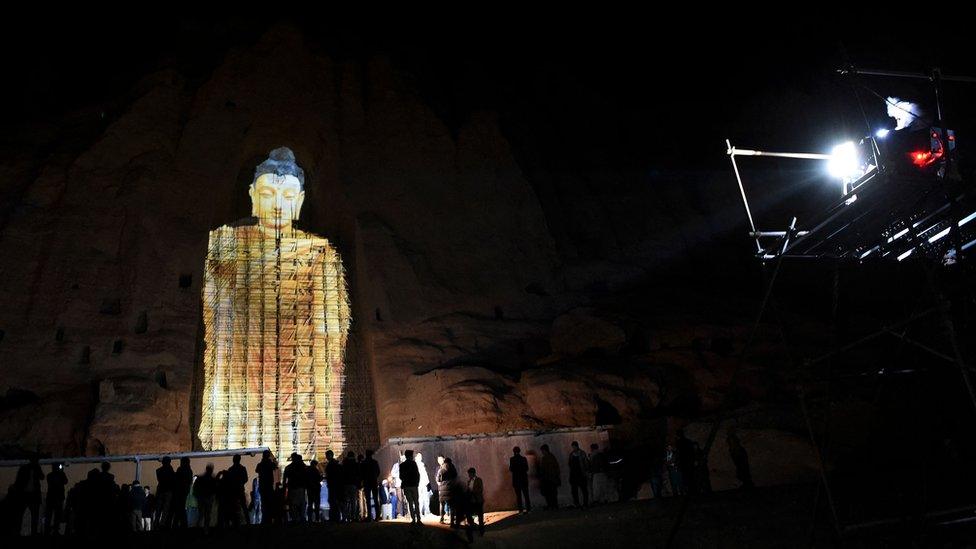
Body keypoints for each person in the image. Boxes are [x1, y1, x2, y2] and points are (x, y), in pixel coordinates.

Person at [13, 456, 43, 535]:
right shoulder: (24, 468)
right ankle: (18, 531)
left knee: (34, 516)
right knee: (20, 515)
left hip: (32, 495)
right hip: (25, 495)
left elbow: (42, 477)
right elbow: (18, 481)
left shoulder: (36, 468)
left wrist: (38, 468)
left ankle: (33, 532)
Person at [283, 453, 308, 523]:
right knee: (301, 504)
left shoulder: (288, 467)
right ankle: (302, 518)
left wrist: (284, 488)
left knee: (293, 505)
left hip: (292, 488)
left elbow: (284, 479)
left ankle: (295, 519)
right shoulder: (302, 467)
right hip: (301, 488)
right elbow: (306, 477)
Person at [399, 450, 421, 524]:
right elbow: (417, 475)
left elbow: (401, 476)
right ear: (410, 456)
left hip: (406, 486)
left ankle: (413, 519)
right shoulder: (413, 464)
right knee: (416, 502)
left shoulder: (402, 465)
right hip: (414, 485)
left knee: (410, 503)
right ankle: (418, 519)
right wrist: (417, 483)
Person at [255, 450, 278, 524]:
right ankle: (269, 518)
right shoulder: (270, 463)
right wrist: (274, 461)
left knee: (264, 502)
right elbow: (275, 467)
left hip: (262, 486)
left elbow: (257, 470)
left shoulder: (260, 464)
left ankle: (265, 518)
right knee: (269, 502)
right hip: (269, 486)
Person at [45, 463, 67, 535]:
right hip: (58, 497)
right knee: (57, 515)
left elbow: (65, 481)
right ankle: (55, 530)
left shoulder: (49, 475)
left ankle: (48, 530)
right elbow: (65, 481)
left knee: (49, 515)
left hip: (51, 498)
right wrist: (62, 472)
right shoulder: (60, 475)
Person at [193, 464, 217, 533]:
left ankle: (198, 528)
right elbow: (215, 488)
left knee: (201, 514)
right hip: (208, 498)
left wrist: (197, 497)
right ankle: (205, 529)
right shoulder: (212, 479)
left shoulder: (200, 478)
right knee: (207, 515)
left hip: (201, 498)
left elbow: (195, 489)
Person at [568, 441, 590, 509]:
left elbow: (586, 463)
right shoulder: (572, 454)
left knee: (584, 490)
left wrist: (586, 471)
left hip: (581, 474)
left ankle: (585, 503)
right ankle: (577, 503)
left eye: (574, 446)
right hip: (574, 475)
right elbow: (569, 464)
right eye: (573, 447)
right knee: (575, 490)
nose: (574, 448)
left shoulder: (581, 453)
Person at [538, 444, 561, 510]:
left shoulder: (546, 458)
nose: (542, 452)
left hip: (549, 479)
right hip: (551, 478)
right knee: (552, 493)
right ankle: (554, 505)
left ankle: (552, 505)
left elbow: (544, 469)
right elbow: (556, 468)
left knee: (550, 493)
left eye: (542, 451)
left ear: (544, 450)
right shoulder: (551, 457)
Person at [155, 456, 176, 528]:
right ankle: (162, 523)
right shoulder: (171, 471)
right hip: (168, 492)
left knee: (158, 509)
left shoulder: (158, 470)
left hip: (160, 491)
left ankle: (156, 523)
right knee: (165, 509)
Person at [173, 457, 193, 528]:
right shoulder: (189, 470)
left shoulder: (181, 469)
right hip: (185, 491)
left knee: (179, 508)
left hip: (179, 491)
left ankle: (179, 524)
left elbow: (176, 480)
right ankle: (183, 524)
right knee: (181, 508)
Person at [509, 447, 531, 513]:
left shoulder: (512, 459)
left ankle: (520, 510)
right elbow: (527, 468)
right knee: (526, 495)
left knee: (519, 496)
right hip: (523, 479)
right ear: (519, 451)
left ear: (513, 451)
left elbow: (511, 469)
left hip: (516, 480)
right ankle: (528, 509)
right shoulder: (523, 459)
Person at [436, 455, 456, 524]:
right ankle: (452, 521)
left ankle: (441, 519)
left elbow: (437, 479)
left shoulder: (441, 469)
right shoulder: (452, 468)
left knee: (442, 504)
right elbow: (455, 476)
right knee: (451, 506)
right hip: (451, 489)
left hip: (442, 489)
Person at [676, 430, 698, 494]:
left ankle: (690, 491)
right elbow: (692, 452)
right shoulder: (688, 441)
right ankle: (693, 491)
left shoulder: (679, 443)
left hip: (685, 463)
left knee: (687, 478)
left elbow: (679, 454)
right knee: (691, 478)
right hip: (689, 462)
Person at [324, 450, 344, 522]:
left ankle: (334, 517)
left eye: (327, 455)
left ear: (330, 455)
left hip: (333, 486)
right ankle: (336, 517)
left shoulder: (331, 465)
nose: (326, 457)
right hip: (336, 485)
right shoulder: (336, 464)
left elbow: (330, 475)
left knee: (333, 501)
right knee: (335, 501)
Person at [465, 467, 485, 537]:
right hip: (471, 501)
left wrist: (472, 492)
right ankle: (474, 527)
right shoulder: (469, 481)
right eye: (468, 474)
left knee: (480, 516)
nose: (469, 475)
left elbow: (480, 489)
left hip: (478, 500)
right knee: (471, 515)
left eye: (469, 474)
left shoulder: (479, 480)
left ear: (473, 473)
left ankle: (481, 530)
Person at [362, 450, 381, 521]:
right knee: (376, 499)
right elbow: (378, 472)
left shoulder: (363, 463)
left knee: (368, 500)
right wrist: (375, 476)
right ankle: (377, 516)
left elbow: (361, 473)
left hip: (366, 482)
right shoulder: (375, 462)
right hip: (373, 481)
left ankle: (369, 516)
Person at [342, 451, 360, 521]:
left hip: (345, 484)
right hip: (353, 484)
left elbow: (342, 474)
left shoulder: (344, 464)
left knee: (346, 501)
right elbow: (358, 474)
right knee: (353, 501)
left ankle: (346, 517)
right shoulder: (355, 464)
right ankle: (353, 517)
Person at [415, 452, 431, 517]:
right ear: (416, 457)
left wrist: (427, 482)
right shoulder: (415, 465)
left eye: (421, 456)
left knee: (426, 498)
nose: (420, 457)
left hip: (424, 483)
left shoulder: (422, 464)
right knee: (420, 499)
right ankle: (419, 512)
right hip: (418, 484)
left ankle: (427, 512)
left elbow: (425, 474)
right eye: (419, 456)